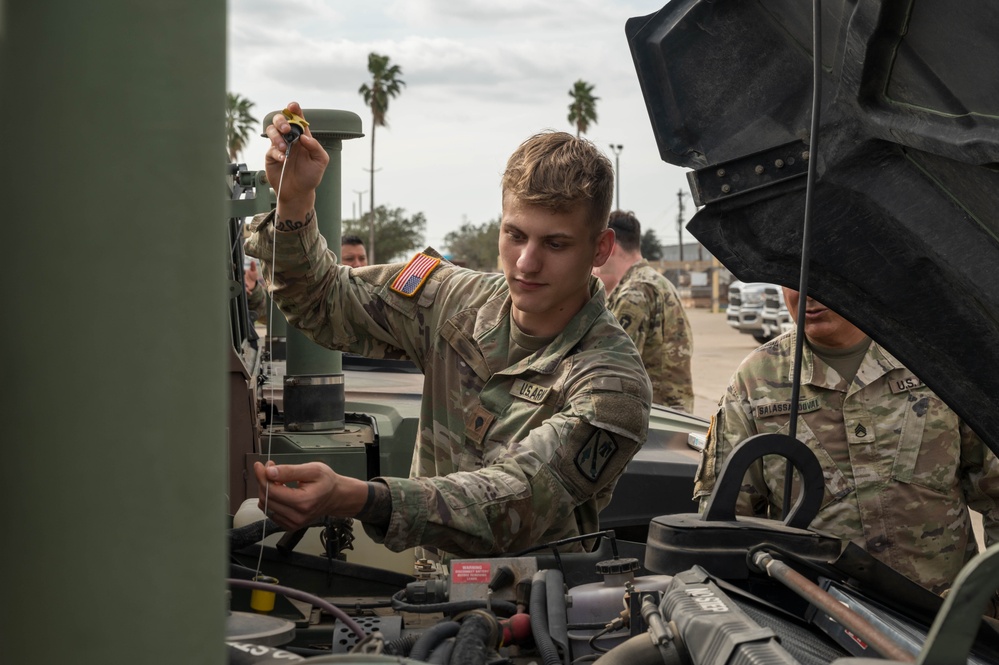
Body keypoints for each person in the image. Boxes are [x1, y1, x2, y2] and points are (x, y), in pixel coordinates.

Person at [244, 103, 652, 559]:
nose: (526, 263)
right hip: (431, 596)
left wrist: (358, 497)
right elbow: (323, 300)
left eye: (555, 244)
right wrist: (295, 202)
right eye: (515, 235)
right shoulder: (452, 299)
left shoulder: (613, 386)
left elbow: (516, 499)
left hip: (537, 613)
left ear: (601, 248)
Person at [693, 287, 999, 595]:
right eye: (792, 277)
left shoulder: (934, 360)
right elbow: (726, 528)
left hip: (947, 626)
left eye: (820, 275)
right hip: (819, 626)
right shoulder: (753, 382)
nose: (806, 294)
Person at [593, 210, 694, 412]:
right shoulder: (657, 282)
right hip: (671, 415)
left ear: (610, 246)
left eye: (597, 248)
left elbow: (609, 370)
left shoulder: (634, 292)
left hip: (651, 418)